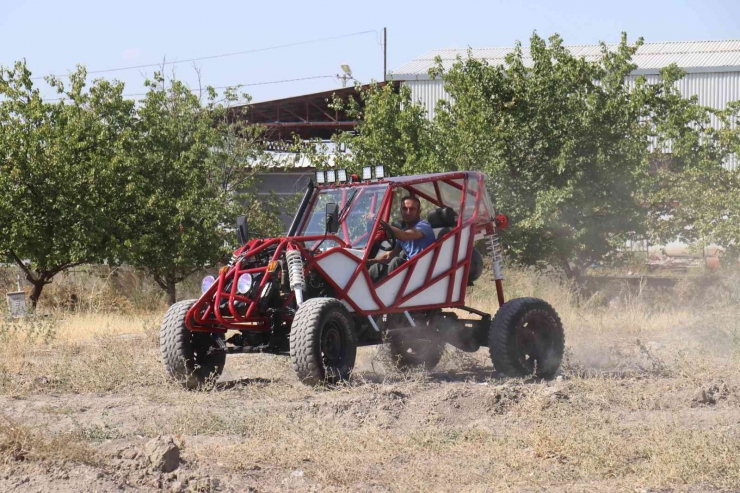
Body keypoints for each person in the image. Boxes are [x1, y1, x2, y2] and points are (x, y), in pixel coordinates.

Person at [367, 195, 435, 283]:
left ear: (419, 211)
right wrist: (367, 261)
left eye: (412, 209)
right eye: (405, 209)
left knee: (397, 261)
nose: (408, 212)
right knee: (377, 267)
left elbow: (405, 236)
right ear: (401, 211)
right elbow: (388, 256)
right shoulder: (403, 230)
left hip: (421, 271)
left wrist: (378, 220)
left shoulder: (424, 226)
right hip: (409, 270)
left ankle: (385, 288)